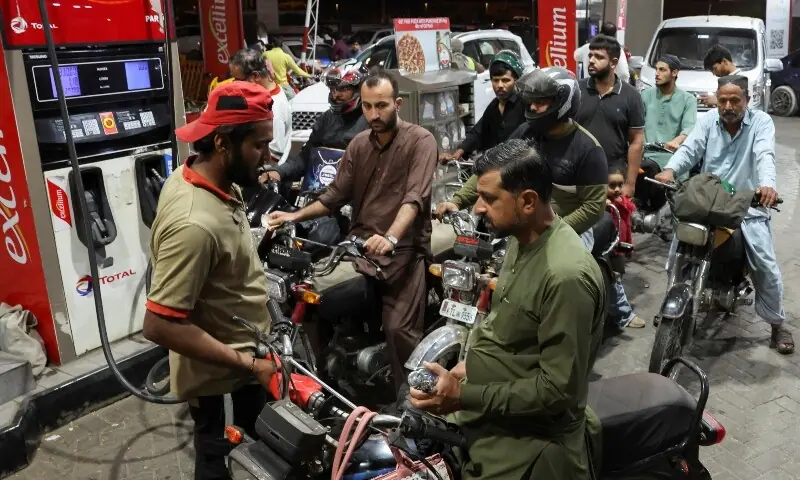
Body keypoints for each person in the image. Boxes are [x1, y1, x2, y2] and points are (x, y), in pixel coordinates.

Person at [409, 139, 606, 479]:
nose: (478, 208)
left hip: (533, 441)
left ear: (527, 201)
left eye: (489, 198)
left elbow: (557, 392)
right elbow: (510, 332)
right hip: (494, 412)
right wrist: (467, 369)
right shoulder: (521, 240)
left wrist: (463, 396)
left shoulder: (565, 275)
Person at [266, 70, 438, 393]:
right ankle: (326, 382)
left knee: (398, 330)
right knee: (311, 301)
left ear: (397, 104)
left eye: (382, 106)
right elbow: (333, 196)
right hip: (358, 248)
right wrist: (293, 215)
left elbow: (414, 199)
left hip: (403, 251)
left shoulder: (420, 141)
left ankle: (411, 402)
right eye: (368, 106)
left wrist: (390, 237)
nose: (374, 114)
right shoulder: (358, 144)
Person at [142, 82, 276, 479]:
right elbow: (159, 324)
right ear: (222, 143)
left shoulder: (209, 180)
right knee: (221, 460)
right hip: (224, 381)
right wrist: (250, 365)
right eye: (259, 145)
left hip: (242, 362)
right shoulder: (194, 223)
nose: (268, 157)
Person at [655, 75, 793, 355]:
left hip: (746, 206)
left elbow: (764, 154)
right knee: (677, 250)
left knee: (764, 264)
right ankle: (673, 302)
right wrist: (670, 169)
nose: (728, 106)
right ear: (716, 101)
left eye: (735, 100)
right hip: (709, 201)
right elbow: (691, 148)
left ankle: (777, 323)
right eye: (723, 100)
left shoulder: (761, 122)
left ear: (747, 100)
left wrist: (767, 185)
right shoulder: (707, 121)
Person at [437, 67, 608, 250]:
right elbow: (492, 169)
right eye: (532, 101)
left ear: (563, 102)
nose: (533, 107)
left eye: (540, 101)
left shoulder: (588, 149)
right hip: (527, 228)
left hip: (570, 232)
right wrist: (457, 200)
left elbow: (593, 207)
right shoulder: (526, 132)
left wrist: (554, 231)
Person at [265, 66, 369, 183]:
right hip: (320, 185)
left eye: (343, 89)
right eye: (333, 89)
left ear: (359, 89)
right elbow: (305, 157)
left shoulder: (369, 122)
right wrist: (279, 171)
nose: (336, 95)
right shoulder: (326, 119)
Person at [575, 34, 645, 199]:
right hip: (579, 176)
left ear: (613, 63)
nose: (592, 60)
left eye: (599, 57)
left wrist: (630, 184)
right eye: (590, 55)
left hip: (614, 178)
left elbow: (636, 140)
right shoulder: (576, 90)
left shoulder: (631, 95)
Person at [439, 50, 526, 162]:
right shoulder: (494, 107)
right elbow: (477, 132)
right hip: (494, 165)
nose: (500, 85)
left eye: (505, 80)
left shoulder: (524, 105)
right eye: (496, 80)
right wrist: (460, 151)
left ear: (516, 80)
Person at [229, 48, 292, 165]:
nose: (234, 84)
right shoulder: (266, 92)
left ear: (255, 76)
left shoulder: (274, 107)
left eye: (238, 80)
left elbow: (273, 155)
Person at [641, 54, 697, 169]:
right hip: (646, 156)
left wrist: (676, 141)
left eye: (662, 70)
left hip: (673, 157)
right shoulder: (645, 95)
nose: (657, 74)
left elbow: (689, 128)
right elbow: (638, 126)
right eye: (656, 69)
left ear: (674, 73)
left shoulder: (688, 99)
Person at [607, 163, 645, 328]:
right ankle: (624, 315)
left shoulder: (623, 201)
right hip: (609, 249)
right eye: (612, 185)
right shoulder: (605, 205)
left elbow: (630, 214)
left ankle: (610, 310)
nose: (617, 189)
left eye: (620, 185)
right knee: (615, 281)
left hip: (621, 248)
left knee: (617, 279)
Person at [264, 35, 311, 99]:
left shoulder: (265, 54)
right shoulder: (286, 56)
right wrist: (309, 75)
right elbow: (298, 71)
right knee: (294, 100)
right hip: (284, 86)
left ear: (272, 44)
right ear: (282, 45)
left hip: (271, 86)